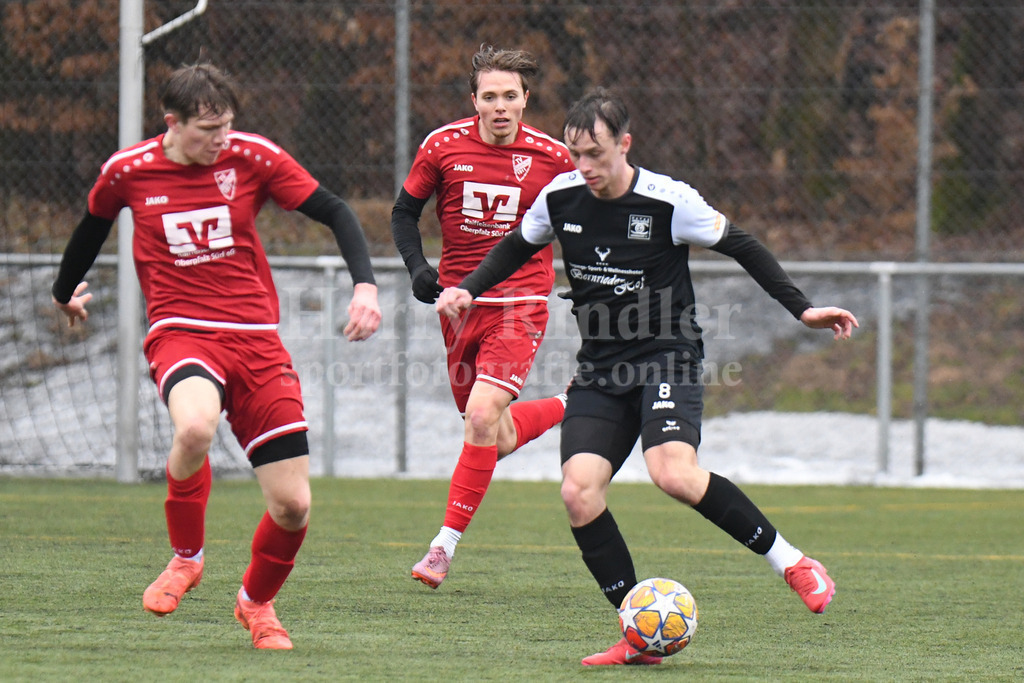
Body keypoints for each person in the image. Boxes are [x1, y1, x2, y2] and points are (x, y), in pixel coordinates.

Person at [436, 88, 858, 666]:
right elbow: (514, 247)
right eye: (575, 154)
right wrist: (467, 288)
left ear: (625, 144)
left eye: (596, 153)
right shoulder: (559, 197)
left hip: (666, 355)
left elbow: (742, 245)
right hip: (600, 369)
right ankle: (639, 635)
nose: (584, 166)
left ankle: (794, 563)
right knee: (578, 492)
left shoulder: (669, 201)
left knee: (673, 474)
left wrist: (802, 310)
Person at [51, 63, 381, 650]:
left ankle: (256, 604)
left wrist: (366, 286)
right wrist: (63, 292)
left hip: (256, 339)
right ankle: (187, 557)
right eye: (208, 130)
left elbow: (334, 209)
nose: (221, 139)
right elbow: (91, 227)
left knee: (293, 506)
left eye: (226, 126)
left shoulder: (253, 157)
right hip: (182, 332)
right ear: (172, 123)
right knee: (195, 426)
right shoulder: (128, 171)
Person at [391, 45, 574, 589]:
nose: (500, 106)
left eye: (509, 96)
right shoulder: (442, 145)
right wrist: (418, 268)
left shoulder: (553, 158)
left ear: (525, 100)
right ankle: (571, 403)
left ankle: (442, 547)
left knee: (479, 417)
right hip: (458, 306)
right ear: (474, 100)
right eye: (489, 96)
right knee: (495, 435)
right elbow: (404, 212)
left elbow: (584, 223)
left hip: (520, 303)